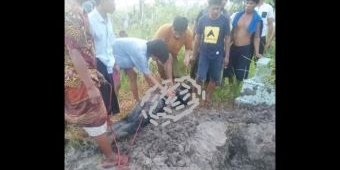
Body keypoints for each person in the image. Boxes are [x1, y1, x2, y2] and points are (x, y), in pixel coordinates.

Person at [65, 0, 128, 168]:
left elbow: (83, 49)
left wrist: (95, 71)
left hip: (84, 72)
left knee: (96, 116)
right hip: (77, 78)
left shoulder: (77, 10)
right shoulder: (71, 12)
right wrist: (91, 86)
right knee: (95, 117)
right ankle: (110, 157)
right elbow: (74, 51)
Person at [191, 0, 231, 106]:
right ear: (209, 8)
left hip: (218, 55)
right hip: (204, 53)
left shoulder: (224, 20)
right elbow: (197, 38)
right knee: (200, 76)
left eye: (218, 9)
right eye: (214, 8)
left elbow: (227, 38)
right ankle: (193, 94)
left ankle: (207, 96)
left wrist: (227, 56)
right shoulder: (202, 20)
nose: (216, 11)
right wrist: (194, 55)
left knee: (214, 78)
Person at [112, 38, 175, 103]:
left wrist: (157, 88)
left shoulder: (149, 48)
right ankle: (113, 109)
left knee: (133, 75)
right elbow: (149, 76)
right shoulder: (140, 53)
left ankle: (136, 101)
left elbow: (146, 72)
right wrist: (165, 92)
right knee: (117, 85)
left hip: (125, 55)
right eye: (158, 58)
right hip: (112, 58)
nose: (157, 60)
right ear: (154, 54)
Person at [88, 0, 120, 125]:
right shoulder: (90, 20)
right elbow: (87, 48)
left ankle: (109, 122)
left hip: (108, 62)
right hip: (97, 63)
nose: (114, 4)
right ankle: (105, 125)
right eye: (111, 1)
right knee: (104, 97)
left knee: (110, 94)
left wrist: (115, 62)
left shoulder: (108, 20)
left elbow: (110, 43)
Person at [223, 0, 262, 88]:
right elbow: (232, 32)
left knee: (241, 71)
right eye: (247, 2)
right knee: (228, 68)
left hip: (245, 48)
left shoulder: (257, 19)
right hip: (233, 46)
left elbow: (256, 37)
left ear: (255, 5)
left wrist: (257, 52)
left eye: (251, 3)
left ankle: (237, 88)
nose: (247, 5)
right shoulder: (238, 15)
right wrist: (227, 45)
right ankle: (231, 87)